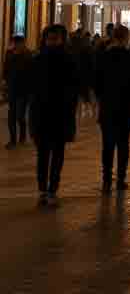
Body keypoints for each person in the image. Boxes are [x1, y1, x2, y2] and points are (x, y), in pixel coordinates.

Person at [28, 24, 79, 206]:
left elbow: (73, 89)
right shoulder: (38, 60)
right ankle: (44, 190)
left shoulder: (68, 61)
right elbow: (32, 89)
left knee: (56, 154)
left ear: (61, 40)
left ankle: (51, 190)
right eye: (50, 39)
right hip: (43, 114)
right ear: (45, 39)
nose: (52, 42)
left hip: (60, 115)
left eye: (55, 39)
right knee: (44, 155)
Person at [93, 24, 130, 193]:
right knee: (123, 143)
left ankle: (107, 179)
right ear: (126, 37)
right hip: (126, 106)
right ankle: (121, 178)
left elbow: (96, 82)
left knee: (107, 145)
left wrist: (100, 98)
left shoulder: (103, 57)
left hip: (108, 106)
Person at [4, 35, 32, 148]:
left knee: (20, 115)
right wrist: (5, 82)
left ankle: (22, 136)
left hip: (23, 90)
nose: (17, 45)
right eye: (15, 43)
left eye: (19, 43)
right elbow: (6, 70)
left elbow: (31, 73)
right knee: (11, 115)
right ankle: (12, 140)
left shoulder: (28, 55)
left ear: (23, 43)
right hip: (12, 89)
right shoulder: (9, 54)